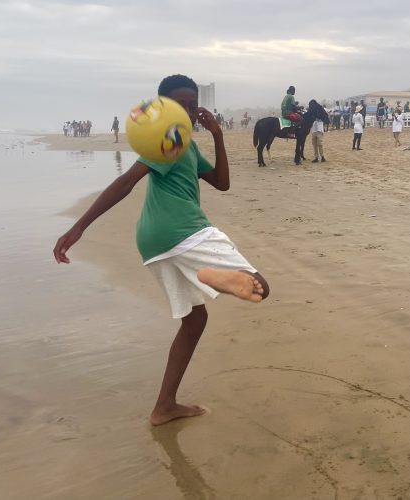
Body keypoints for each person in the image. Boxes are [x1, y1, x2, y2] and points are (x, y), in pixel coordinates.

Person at [53, 74, 269, 427]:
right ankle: (208, 276)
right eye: (179, 105)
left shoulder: (188, 147)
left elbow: (222, 183)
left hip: (155, 242)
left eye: (192, 105)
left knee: (195, 320)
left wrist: (217, 135)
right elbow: (126, 181)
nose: (186, 111)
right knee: (259, 287)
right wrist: (80, 225)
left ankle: (164, 407)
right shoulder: (166, 144)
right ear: (162, 108)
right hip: (183, 231)